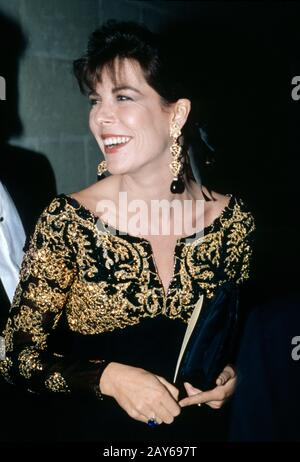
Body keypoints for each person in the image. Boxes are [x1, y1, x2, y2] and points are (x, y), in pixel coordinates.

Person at [0, 21, 255, 442]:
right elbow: (16, 357)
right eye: (95, 100)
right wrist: (109, 378)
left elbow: (227, 335)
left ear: (177, 113)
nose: (101, 116)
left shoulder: (235, 221)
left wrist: (230, 375)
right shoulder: (69, 220)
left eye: (123, 97)